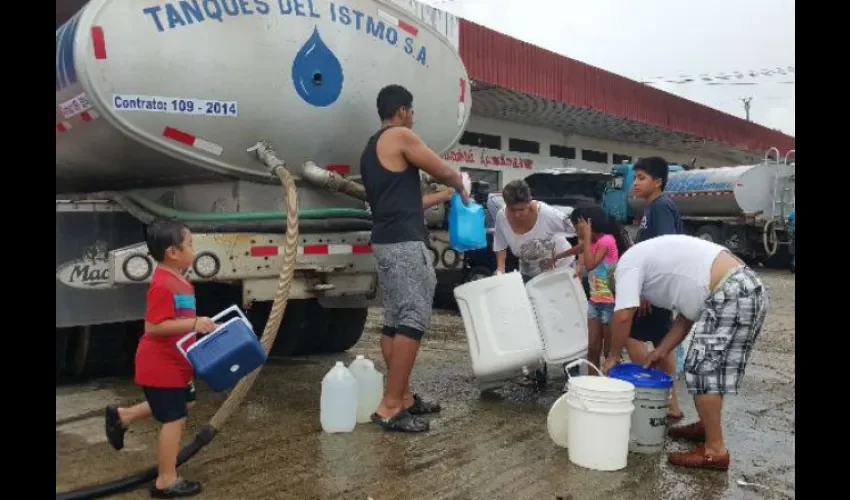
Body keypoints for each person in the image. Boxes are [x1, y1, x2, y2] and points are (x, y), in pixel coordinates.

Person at [603, 234, 769, 471]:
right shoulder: (657, 265)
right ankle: (706, 427)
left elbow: (622, 316)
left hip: (732, 291)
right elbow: (686, 317)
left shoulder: (628, 265)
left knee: (703, 369)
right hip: (745, 287)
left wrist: (613, 356)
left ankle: (715, 451)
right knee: (713, 369)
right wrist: (662, 349)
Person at [360, 84, 468, 433]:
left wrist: (442, 195)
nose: (413, 118)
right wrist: (460, 184)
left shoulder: (371, 148)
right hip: (406, 245)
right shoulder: (400, 136)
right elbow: (442, 168)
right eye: (412, 111)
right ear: (403, 111)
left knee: (395, 320)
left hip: (387, 240)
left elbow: (408, 202)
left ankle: (402, 396)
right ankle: (390, 406)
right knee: (413, 319)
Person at [104, 220, 217, 498]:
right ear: (173, 252)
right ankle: (165, 480)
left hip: (177, 361)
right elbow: (153, 327)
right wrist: (194, 325)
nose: (194, 249)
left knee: (184, 402)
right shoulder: (163, 285)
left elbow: (180, 320)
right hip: (160, 364)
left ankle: (123, 416)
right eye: (190, 245)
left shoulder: (180, 280)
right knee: (174, 418)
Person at [492, 179, 583, 385]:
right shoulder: (501, 217)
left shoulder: (548, 214)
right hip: (530, 273)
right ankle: (537, 372)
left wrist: (581, 262)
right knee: (533, 323)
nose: (517, 214)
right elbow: (500, 243)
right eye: (512, 210)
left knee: (561, 321)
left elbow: (583, 232)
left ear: (530, 201)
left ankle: (573, 374)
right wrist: (500, 268)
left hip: (559, 273)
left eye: (522, 209)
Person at [628, 156, 684, 420]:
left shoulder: (661, 207)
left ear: (658, 181)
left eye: (642, 178)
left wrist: (647, 290)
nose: (635, 183)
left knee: (634, 337)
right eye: (635, 177)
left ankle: (655, 393)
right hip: (657, 289)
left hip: (656, 290)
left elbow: (667, 248)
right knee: (662, 341)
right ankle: (669, 403)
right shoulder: (652, 208)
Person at [570, 206, 630, 374]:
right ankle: (592, 385)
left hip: (610, 303)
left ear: (586, 223)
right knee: (593, 349)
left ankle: (610, 388)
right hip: (595, 301)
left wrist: (586, 236)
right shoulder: (594, 242)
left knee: (608, 352)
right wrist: (556, 257)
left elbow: (590, 264)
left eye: (576, 225)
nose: (575, 229)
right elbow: (580, 252)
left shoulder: (607, 240)